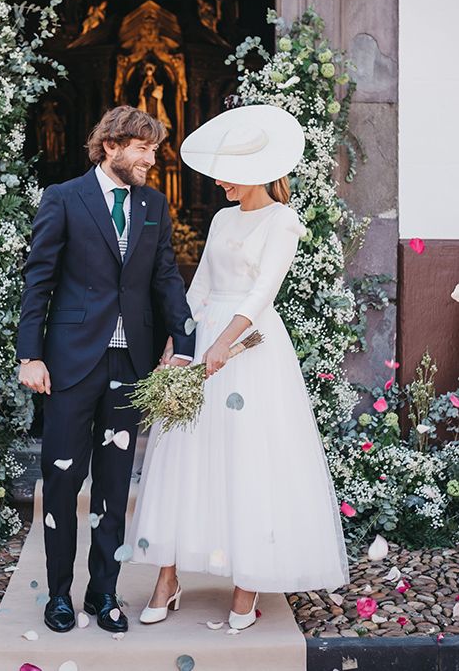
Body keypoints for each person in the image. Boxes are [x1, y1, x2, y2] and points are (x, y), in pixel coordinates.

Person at [128, 104, 350, 630]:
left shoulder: (283, 220)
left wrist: (225, 344)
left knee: (250, 459)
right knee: (186, 453)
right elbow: (200, 285)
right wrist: (178, 344)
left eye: (230, 171)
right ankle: (168, 576)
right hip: (206, 335)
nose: (221, 180)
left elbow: (260, 292)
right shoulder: (223, 217)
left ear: (257, 173)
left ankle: (247, 583)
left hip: (250, 346)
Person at [16, 105, 195, 634]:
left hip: (130, 362)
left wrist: (183, 342)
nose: (151, 159)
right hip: (70, 364)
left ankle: (104, 592)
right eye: (143, 148)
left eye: (155, 150)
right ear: (111, 145)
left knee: (115, 486)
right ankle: (58, 596)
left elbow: (165, 276)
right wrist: (31, 355)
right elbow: (39, 280)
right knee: (63, 483)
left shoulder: (153, 204)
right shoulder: (64, 198)